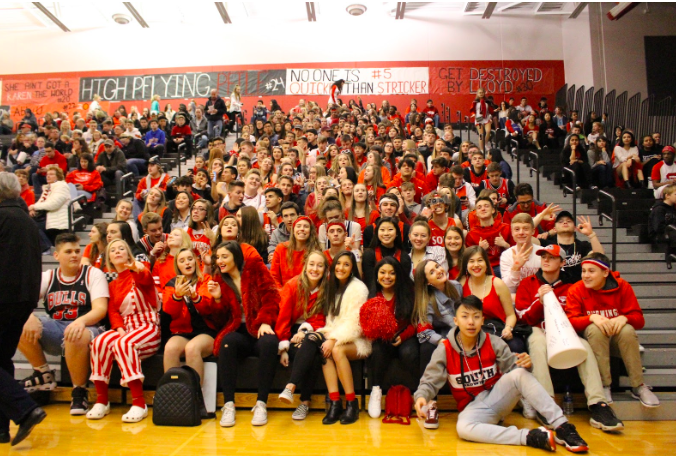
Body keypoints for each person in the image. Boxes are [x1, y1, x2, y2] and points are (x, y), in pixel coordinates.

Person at [414, 295, 589, 452]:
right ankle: (530, 437)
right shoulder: (445, 348)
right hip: (473, 409)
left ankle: (562, 427)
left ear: (482, 320)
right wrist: (421, 396)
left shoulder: (494, 342)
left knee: (520, 374)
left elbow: (515, 371)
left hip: (498, 398)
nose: (471, 322)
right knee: (464, 428)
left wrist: (525, 365)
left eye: (476, 317)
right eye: (465, 317)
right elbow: (429, 381)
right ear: (456, 321)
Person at [515, 245, 623, 432]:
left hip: (565, 334)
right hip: (538, 331)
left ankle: (598, 404)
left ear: (562, 262)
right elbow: (522, 318)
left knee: (585, 347)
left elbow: (576, 316)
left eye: (552, 257)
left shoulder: (572, 286)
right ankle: (546, 403)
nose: (546, 260)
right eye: (543, 257)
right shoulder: (527, 283)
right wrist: (539, 302)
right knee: (537, 341)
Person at [565, 252, 660, 408]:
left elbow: (639, 319)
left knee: (627, 330)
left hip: (615, 341)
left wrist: (625, 318)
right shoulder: (576, 290)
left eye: (591, 271)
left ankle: (638, 385)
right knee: (596, 329)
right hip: (591, 341)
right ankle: (604, 385)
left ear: (605, 273)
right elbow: (569, 322)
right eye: (584, 271)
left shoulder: (622, 286)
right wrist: (591, 317)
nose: (586, 276)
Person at [87, 240, 160, 423]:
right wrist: (119, 329)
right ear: (109, 258)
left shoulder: (139, 271)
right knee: (99, 342)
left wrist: (137, 268)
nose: (117, 251)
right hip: (126, 327)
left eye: (122, 248)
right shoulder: (112, 285)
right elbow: (113, 312)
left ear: (129, 255)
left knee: (124, 343)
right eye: (113, 250)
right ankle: (102, 400)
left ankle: (139, 403)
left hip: (148, 326)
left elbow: (145, 278)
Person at [211, 241, 280, 427]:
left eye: (224, 257)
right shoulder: (218, 279)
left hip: (259, 326)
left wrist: (265, 320)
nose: (220, 261)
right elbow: (218, 321)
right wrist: (218, 299)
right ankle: (228, 404)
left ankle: (261, 404)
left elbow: (272, 295)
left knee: (269, 343)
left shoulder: (255, 268)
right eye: (218, 257)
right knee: (227, 343)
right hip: (237, 329)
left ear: (236, 257)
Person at [0, 172, 47, 446]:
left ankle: (25, 409)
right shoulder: (27, 220)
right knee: (2, 360)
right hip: (23, 299)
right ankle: (1, 428)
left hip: (4, 297)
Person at [317, 251, 370, 425]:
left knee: (337, 350)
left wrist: (334, 339)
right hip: (337, 336)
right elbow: (331, 322)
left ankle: (352, 403)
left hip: (358, 339)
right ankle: (335, 403)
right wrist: (329, 336)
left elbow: (355, 324)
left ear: (352, 268)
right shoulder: (332, 287)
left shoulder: (359, 288)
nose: (341, 268)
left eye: (346, 264)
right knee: (324, 350)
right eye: (338, 264)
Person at [276, 252, 330, 420]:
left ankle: (290, 388)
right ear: (305, 265)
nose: (315, 269)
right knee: (312, 355)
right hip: (291, 332)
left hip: (317, 330)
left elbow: (321, 318)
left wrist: (305, 331)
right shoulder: (292, 285)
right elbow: (283, 317)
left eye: (320, 265)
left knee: (311, 342)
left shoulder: (328, 288)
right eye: (312, 264)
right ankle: (304, 402)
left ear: (325, 269)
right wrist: (283, 347)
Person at [162, 248, 225, 383]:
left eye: (190, 259)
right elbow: (169, 312)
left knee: (192, 348)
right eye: (182, 261)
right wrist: (177, 296)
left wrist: (195, 297)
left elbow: (209, 310)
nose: (187, 263)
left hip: (207, 331)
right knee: (170, 349)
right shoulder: (172, 285)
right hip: (183, 331)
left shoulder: (206, 280)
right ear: (177, 265)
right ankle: (172, 394)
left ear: (196, 262)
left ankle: (195, 396)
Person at [366, 258, 418, 418]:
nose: (387, 276)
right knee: (376, 350)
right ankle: (376, 391)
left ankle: (418, 392)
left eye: (392, 273)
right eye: (382, 272)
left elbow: (416, 322)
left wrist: (403, 336)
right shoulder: (372, 295)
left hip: (405, 336)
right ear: (376, 276)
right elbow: (366, 324)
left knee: (409, 353)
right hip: (382, 339)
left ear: (398, 275)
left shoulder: (408, 292)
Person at [459, 246, 525, 354]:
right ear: (466, 265)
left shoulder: (497, 283)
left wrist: (508, 329)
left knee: (516, 346)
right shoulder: (461, 284)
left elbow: (510, 315)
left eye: (480, 260)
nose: (476, 265)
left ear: (486, 263)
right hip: (473, 330)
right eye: (471, 261)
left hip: (499, 329)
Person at [539, 211, 604, 281]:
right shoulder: (547, 245)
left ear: (575, 228)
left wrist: (591, 234)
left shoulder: (583, 245)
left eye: (569, 221)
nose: (565, 222)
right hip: (555, 288)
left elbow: (600, 258)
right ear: (554, 229)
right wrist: (540, 216)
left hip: (577, 288)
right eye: (560, 222)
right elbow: (526, 238)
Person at [465, 197, 513, 278]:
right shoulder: (472, 234)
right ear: (476, 213)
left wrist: (505, 245)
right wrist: (479, 250)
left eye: (486, 206)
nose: (483, 209)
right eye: (479, 207)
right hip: (483, 267)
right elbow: (469, 258)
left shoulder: (506, 228)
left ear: (493, 210)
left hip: (504, 264)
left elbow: (517, 251)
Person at [362, 217, 412, 293]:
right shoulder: (369, 254)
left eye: (390, 230)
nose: (386, 233)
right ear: (377, 232)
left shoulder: (404, 256)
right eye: (382, 230)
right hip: (375, 297)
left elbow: (404, 284)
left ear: (397, 233)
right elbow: (370, 283)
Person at [29, 165, 71, 254]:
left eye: (51, 174)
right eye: (47, 174)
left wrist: (34, 207)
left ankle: (46, 248)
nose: (48, 176)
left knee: (31, 225)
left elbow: (54, 204)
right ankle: (45, 247)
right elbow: (41, 202)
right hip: (47, 219)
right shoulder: (48, 188)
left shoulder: (61, 186)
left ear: (58, 176)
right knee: (29, 224)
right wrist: (33, 209)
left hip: (58, 221)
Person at [270, 216, 321, 289]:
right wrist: (282, 294)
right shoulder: (281, 248)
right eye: (299, 226)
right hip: (282, 294)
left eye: (306, 226)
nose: (302, 229)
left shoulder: (315, 252)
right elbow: (274, 276)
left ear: (310, 231)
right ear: (293, 231)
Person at [470, 88, 494, 153]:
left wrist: (490, 117)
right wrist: (473, 115)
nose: (481, 94)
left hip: (486, 118)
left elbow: (490, 111)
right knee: (481, 134)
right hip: (479, 119)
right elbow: (472, 110)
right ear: (477, 94)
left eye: (482, 92)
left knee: (488, 131)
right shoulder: (475, 102)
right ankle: (481, 149)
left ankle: (485, 143)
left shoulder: (487, 102)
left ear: (484, 93)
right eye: (479, 92)